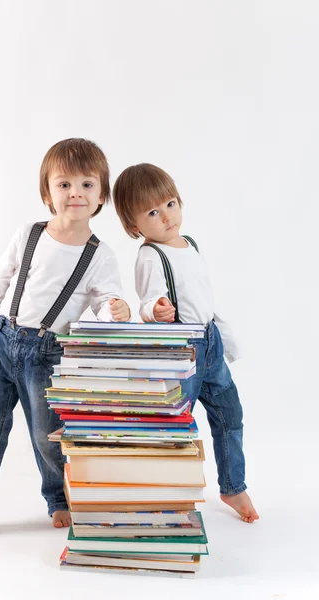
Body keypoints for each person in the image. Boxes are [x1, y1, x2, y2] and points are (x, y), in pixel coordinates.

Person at [0, 138, 130, 542]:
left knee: (48, 436)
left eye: (87, 185)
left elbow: (103, 302)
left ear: (101, 196)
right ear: (47, 193)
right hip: (0, 341)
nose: (75, 192)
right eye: (64, 184)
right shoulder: (29, 234)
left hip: (47, 354)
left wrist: (116, 308)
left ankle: (58, 499)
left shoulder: (100, 255)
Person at [113, 163, 258, 523]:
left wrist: (223, 335)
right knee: (176, 426)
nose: (167, 217)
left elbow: (204, 297)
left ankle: (233, 486)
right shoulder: (150, 255)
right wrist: (155, 309)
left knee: (229, 415)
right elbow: (148, 300)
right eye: (152, 212)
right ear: (134, 226)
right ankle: (168, 498)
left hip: (209, 343)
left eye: (171, 204)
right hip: (182, 350)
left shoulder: (189, 244)